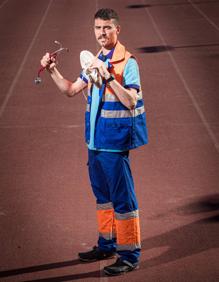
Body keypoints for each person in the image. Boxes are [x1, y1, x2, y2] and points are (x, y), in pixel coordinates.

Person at [40, 8, 148, 276]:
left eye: (107, 28)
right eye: (98, 28)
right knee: (103, 199)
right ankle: (107, 244)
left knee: (123, 201)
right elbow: (70, 90)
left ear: (117, 30)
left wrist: (108, 75)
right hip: (95, 143)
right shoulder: (95, 59)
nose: (102, 33)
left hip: (114, 143)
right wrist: (53, 70)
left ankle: (130, 255)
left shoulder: (128, 63)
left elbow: (131, 100)